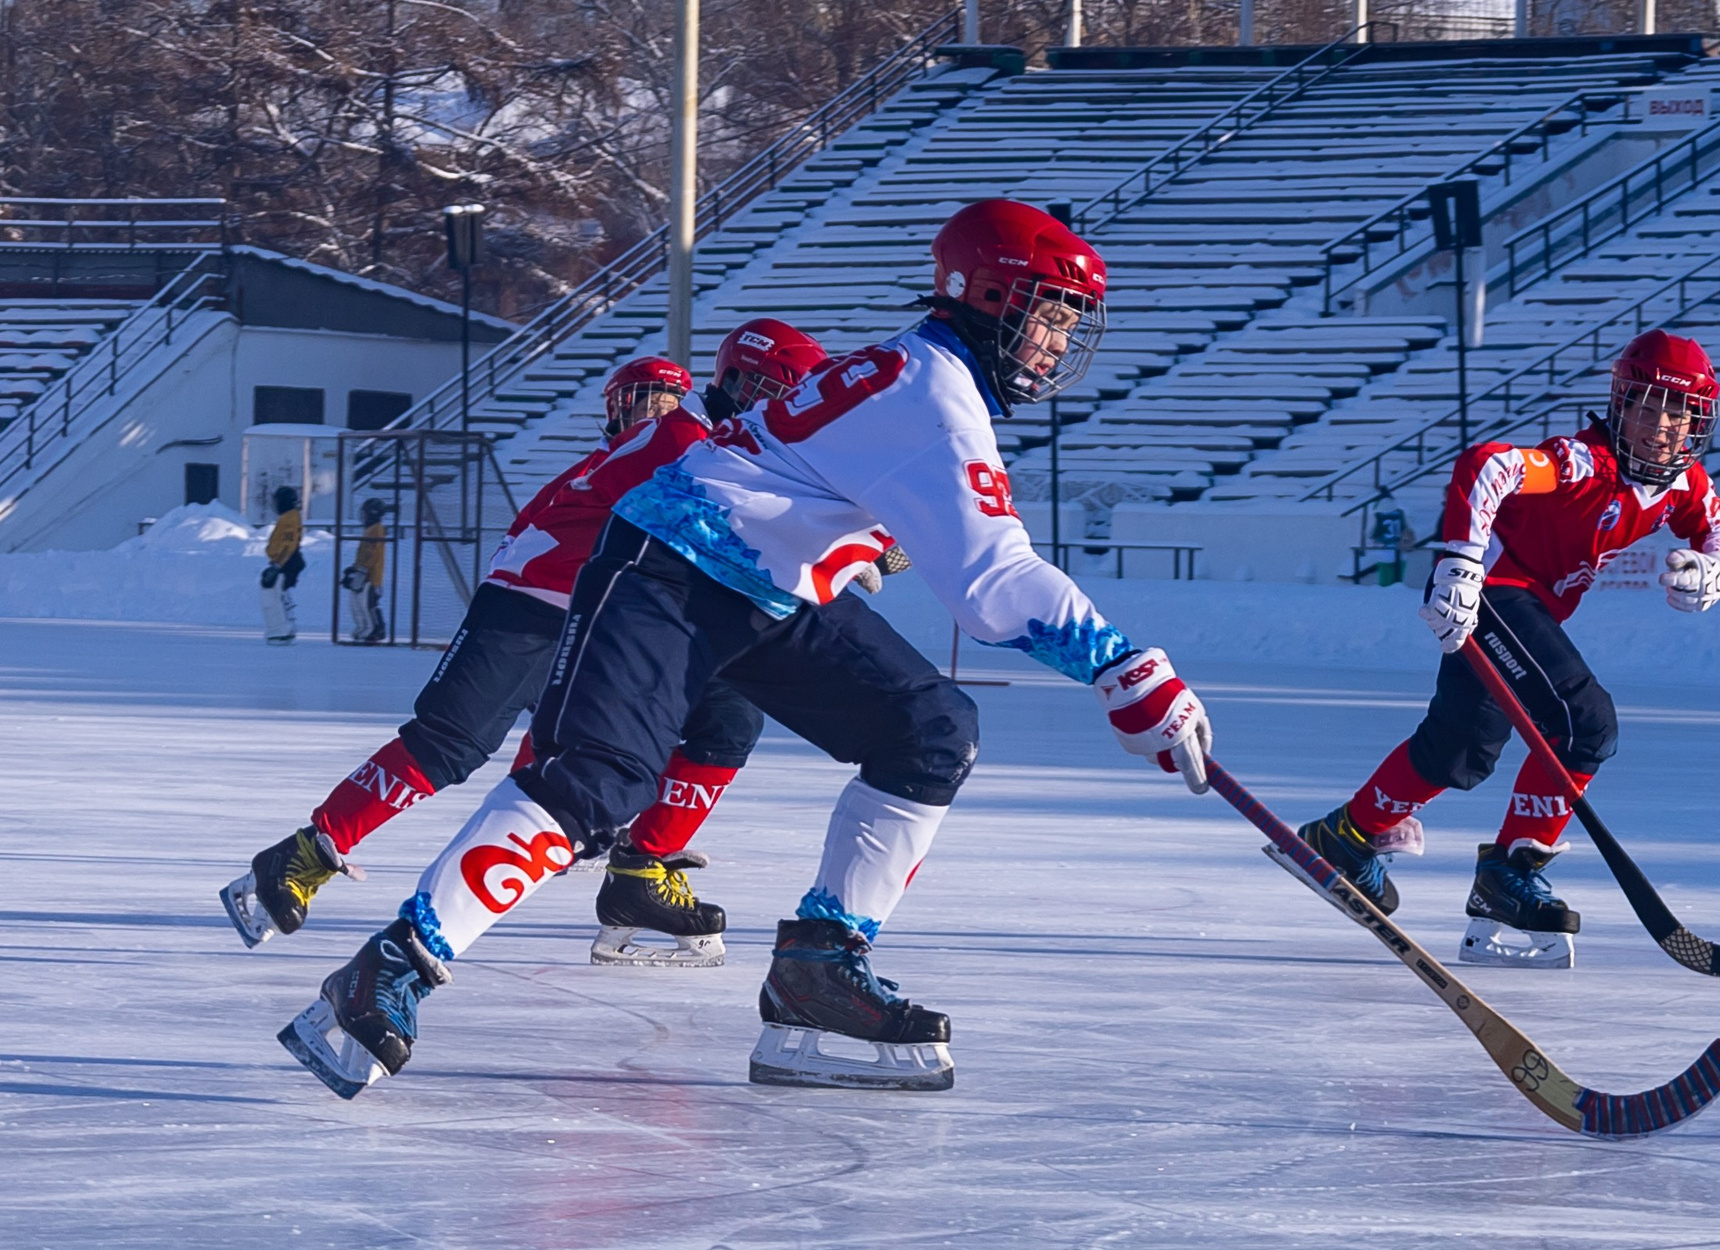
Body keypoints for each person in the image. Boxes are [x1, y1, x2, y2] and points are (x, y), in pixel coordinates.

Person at [275, 200, 1213, 1101]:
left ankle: (821, 967)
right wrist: (1125, 668)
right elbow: (992, 584)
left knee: (932, 727)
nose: (1057, 345)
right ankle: (388, 970)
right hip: (668, 568)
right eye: (1052, 316)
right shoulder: (936, 395)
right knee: (594, 784)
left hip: (765, 588)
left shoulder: (925, 374)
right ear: (996, 296)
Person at [224, 339, 840, 970]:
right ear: (738, 383)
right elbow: (732, 521)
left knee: (726, 715)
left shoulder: (726, 442)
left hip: (613, 616)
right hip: (537, 602)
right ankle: (302, 855)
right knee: (450, 744)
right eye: (777, 392)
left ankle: (642, 872)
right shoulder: (680, 437)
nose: (787, 407)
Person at [1295, 329, 1720, 971]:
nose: (1663, 426)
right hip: (1490, 594)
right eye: (1649, 406)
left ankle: (1346, 836)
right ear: (1620, 405)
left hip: (1517, 606)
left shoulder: (1681, 484)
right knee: (1584, 723)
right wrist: (1459, 566)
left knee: (1457, 749)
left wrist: (1716, 567)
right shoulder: (1583, 462)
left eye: (1681, 412)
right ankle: (1511, 872)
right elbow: (1488, 465)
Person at [341, 497, 391, 642]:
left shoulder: (377, 529)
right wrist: (355, 567)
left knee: (367, 603)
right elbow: (363, 553)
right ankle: (363, 627)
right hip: (363, 573)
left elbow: (373, 553)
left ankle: (374, 629)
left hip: (371, 576)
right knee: (356, 603)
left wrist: (363, 569)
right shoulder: (369, 530)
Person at [260, 486, 306, 644]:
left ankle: (280, 630)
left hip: (287, 561)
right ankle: (285, 627)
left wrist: (279, 565)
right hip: (286, 560)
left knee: (274, 594)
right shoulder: (288, 516)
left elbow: (289, 543)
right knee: (279, 593)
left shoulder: (290, 518)